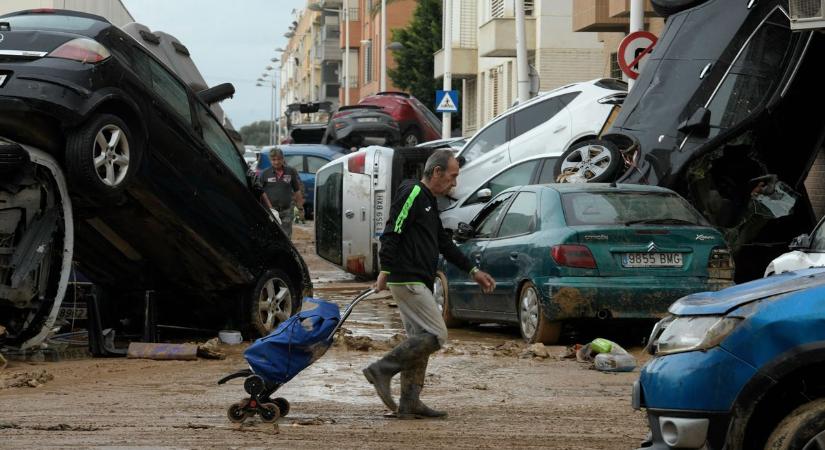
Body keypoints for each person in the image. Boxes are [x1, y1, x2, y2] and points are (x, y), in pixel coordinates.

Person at [363, 149, 496, 419]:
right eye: (452, 176)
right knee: (437, 335)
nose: (454, 183)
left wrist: (472, 270)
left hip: (415, 278)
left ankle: (409, 403)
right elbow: (392, 230)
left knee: (419, 341)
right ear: (437, 172)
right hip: (407, 277)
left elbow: (443, 242)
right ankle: (382, 369)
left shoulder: (428, 202)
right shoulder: (412, 193)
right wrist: (385, 269)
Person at [258, 147, 303, 239]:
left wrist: (300, 208)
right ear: (270, 160)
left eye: (279, 159)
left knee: (286, 237)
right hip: (271, 211)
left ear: (283, 159)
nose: (276, 162)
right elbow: (260, 192)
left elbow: (297, 190)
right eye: (273, 160)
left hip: (286, 211)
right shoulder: (265, 174)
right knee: (271, 235)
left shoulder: (290, 172)